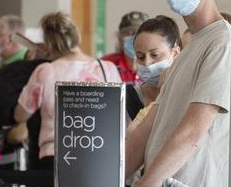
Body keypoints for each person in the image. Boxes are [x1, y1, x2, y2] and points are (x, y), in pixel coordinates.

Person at [126, 0, 231, 187]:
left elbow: (192, 132)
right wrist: (111, 184)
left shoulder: (222, 43)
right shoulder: (192, 45)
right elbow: (151, 124)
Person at [15, 12, 121, 170]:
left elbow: (20, 115)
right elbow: (118, 117)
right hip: (99, 155)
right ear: (76, 35)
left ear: (49, 43)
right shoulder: (107, 69)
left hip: (54, 155)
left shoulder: (45, 71)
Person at [132, 14, 182, 111]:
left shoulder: (189, 97)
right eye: (140, 56)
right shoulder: (127, 99)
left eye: (155, 55)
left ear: (175, 53)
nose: (146, 63)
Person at [102, 11, 147, 83]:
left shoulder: (155, 65)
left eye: (139, 33)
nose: (134, 37)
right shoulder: (105, 64)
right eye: (129, 33)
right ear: (119, 37)